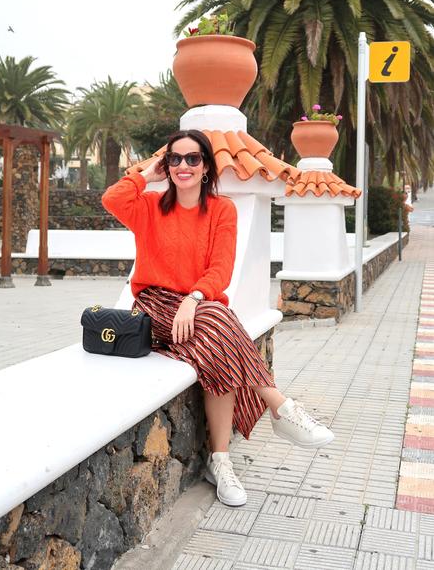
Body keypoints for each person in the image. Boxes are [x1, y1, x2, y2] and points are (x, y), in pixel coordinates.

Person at [102, 129, 334, 507]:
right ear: (167, 165)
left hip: (200, 306)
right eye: (175, 159)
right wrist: (146, 174)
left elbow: (221, 269)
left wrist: (193, 298)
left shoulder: (222, 210)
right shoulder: (148, 207)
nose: (183, 166)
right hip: (155, 305)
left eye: (193, 158)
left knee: (215, 342)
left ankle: (221, 461)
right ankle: (280, 407)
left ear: (207, 167)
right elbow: (112, 198)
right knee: (219, 324)